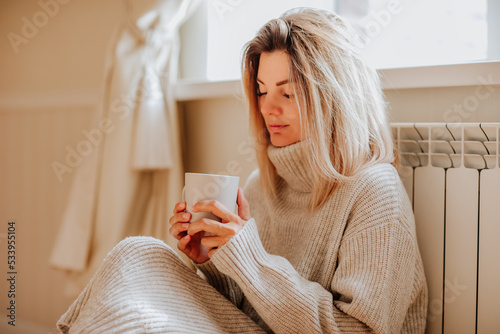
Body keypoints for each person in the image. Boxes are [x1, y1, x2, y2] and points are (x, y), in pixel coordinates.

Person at [57, 7, 427, 334]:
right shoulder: (262, 185)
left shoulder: (375, 192)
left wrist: (251, 259)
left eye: (288, 92)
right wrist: (215, 260)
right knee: (138, 254)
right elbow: (248, 310)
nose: (268, 108)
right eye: (262, 91)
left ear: (334, 96)